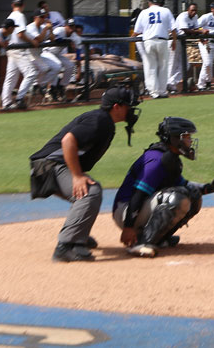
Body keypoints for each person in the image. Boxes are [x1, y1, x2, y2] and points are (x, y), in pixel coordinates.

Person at [29, 86, 141, 262]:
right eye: (129, 106)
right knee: (90, 192)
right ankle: (66, 246)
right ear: (117, 107)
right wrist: (77, 176)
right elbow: (68, 141)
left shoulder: (105, 121)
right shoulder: (100, 121)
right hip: (47, 167)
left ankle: (77, 234)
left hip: (49, 166)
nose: (132, 111)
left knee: (86, 191)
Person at [111, 116, 214, 257]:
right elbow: (138, 195)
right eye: (187, 137)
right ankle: (141, 243)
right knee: (177, 197)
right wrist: (128, 227)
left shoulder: (170, 159)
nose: (190, 141)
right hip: (127, 211)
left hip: (139, 208)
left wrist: (213, 187)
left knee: (193, 194)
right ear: (175, 138)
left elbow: (186, 186)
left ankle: (158, 238)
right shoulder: (155, 160)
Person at [131, 0, 175, 99]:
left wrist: (131, 38)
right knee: (163, 67)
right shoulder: (166, 11)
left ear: (150, 2)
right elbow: (173, 29)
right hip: (163, 41)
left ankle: (154, 92)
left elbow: (137, 31)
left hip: (149, 41)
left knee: (150, 67)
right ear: (160, 2)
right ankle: (162, 91)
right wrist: (174, 41)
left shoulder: (144, 12)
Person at [42, 18, 80, 102]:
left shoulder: (74, 35)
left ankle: (61, 87)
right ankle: (51, 88)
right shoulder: (60, 30)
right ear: (65, 26)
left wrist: (78, 61)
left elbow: (78, 49)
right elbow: (54, 38)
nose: (71, 28)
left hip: (56, 54)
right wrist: (68, 40)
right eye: (69, 26)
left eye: (73, 26)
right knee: (57, 65)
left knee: (70, 66)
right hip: (46, 52)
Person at [167, 2, 202, 93]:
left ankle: (171, 82)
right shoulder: (183, 16)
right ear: (188, 10)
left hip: (181, 42)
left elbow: (196, 29)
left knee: (186, 64)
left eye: (195, 10)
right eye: (192, 10)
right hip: (174, 40)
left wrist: (198, 32)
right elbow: (185, 30)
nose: (194, 12)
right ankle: (170, 84)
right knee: (172, 63)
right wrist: (199, 32)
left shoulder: (195, 17)